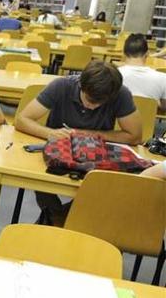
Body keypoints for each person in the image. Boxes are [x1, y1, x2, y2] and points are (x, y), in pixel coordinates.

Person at [16, 61, 142, 225]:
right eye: (89, 99)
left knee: (105, 186)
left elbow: (135, 136)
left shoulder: (120, 93)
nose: (91, 106)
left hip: (95, 158)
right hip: (58, 153)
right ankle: (59, 218)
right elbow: (22, 120)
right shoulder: (62, 85)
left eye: (99, 103)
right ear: (81, 85)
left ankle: (55, 219)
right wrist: (50, 133)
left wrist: (92, 134)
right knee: (39, 176)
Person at [117, 33, 166, 112]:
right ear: (147, 54)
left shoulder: (114, 75)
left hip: (117, 123)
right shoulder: (163, 78)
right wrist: (153, 103)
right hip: (148, 123)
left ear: (124, 53)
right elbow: (164, 107)